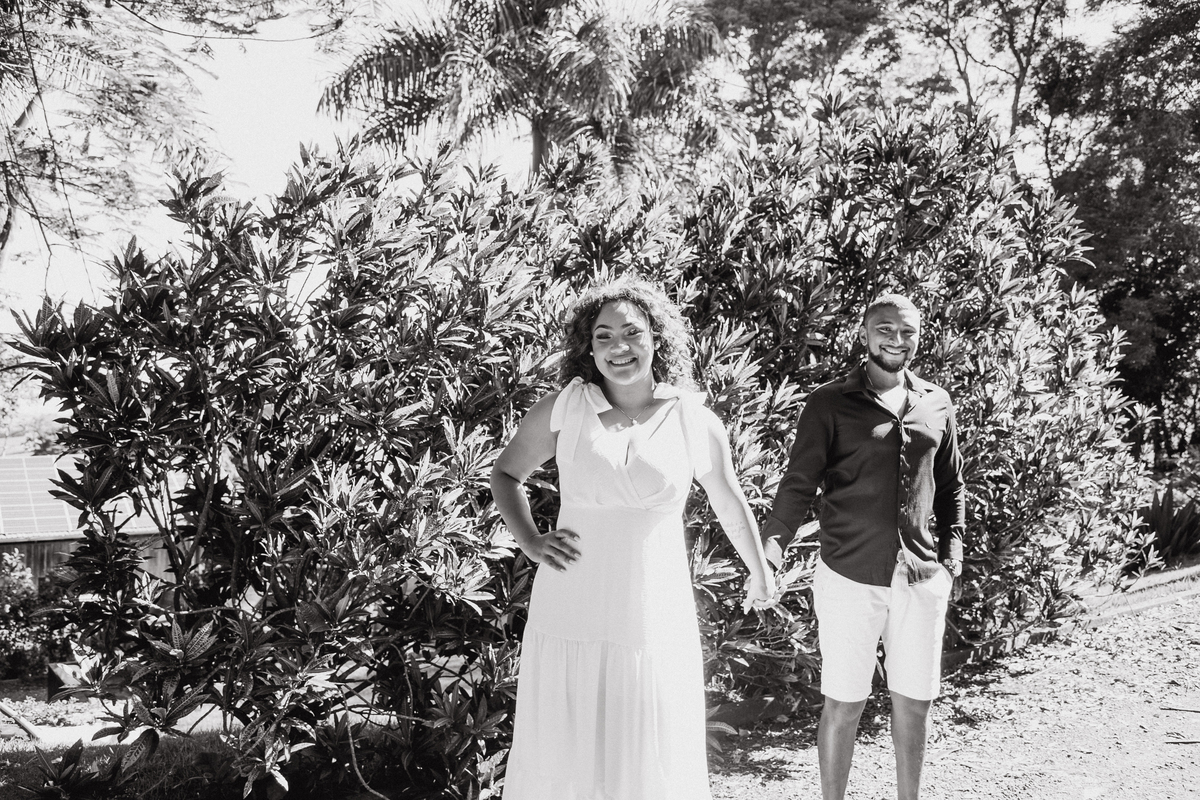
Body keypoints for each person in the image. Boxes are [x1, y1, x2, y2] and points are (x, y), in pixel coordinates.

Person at [491, 277, 776, 800]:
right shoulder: (563, 408)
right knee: (566, 742)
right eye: (603, 336)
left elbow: (729, 502)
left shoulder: (692, 418)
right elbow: (506, 474)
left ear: (656, 338)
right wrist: (530, 540)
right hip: (572, 603)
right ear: (588, 347)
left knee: (650, 738)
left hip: (651, 607)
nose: (618, 346)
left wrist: (760, 572)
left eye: (631, 333)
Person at [762, 293, 965, 800]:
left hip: (920, 578)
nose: (896, 339)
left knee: (914, 702)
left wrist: (951, 558)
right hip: (848, 576)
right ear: (864, 333)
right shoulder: (829, 403)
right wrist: (771, 549)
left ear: (919, 337)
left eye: (907, 330)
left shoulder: (936, 402)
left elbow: (951, 485)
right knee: (845, 703)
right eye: (884, 328)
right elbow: (798, 484)